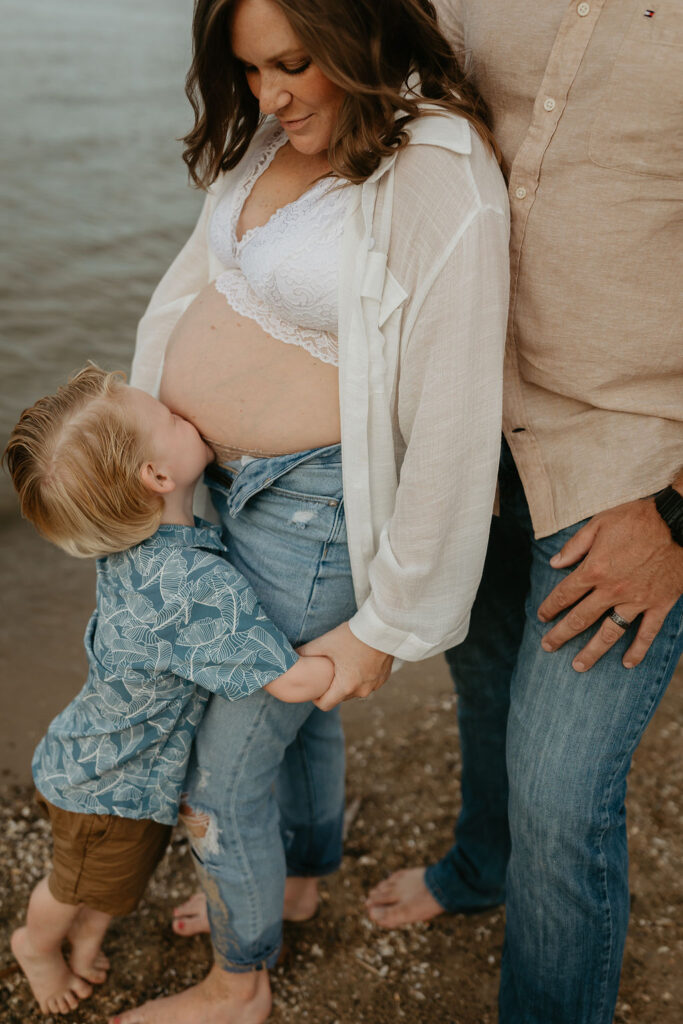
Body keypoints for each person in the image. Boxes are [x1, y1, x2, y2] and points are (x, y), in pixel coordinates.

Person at [120, 0, 509, 1019]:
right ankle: (292, 882)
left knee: (220, 773)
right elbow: (198, 283)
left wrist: (390, 621)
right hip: (224, 488)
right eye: (250, 71)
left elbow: (456, 410)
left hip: (313, 513)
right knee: (290, 723)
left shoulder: (439, 170)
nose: (269, 94)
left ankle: (236, 984)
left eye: (292, 63)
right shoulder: (277, 132)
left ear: (361, 33)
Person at [366, 2, 683, 1022]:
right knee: (484, 683)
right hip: (466, 420)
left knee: (559, 789)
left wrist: (673, 518)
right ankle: (477, 865)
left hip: (627, 471)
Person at [3, 364, 335, 1016]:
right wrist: (361, 650)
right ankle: (35, 946)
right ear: (156, 477)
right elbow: (291, 681)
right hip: (106, 789)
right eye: (173, 419)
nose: (189, 413)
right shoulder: (190, 585)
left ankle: (87, 945)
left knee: (114, 883)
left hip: (100, 763)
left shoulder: (138, 544)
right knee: (70, 887)